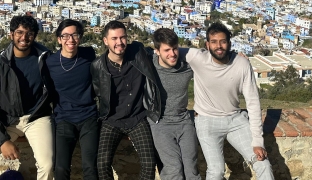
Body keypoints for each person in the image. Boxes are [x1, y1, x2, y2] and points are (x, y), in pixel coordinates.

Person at [0, 15, 54, 180]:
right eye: (19, 32)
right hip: (6, 119)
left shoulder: (45, 59)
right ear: (11, 34)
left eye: (29, 33)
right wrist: (3, 141)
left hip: (37, 118)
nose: (24, 38)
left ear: (35, 35)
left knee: (47, 165)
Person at [186, 22, 274, 180]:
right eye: (214, 42)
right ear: (207, 44)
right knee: (216, 171)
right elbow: (168, 51)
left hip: (235, 120)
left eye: (223, 41)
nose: (218, 46)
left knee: (263, 163)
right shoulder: (197, 57)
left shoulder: (241, 64)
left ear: (229, 43)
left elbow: (253, 103)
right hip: (207, 120)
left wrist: (258, 142)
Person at [90, 20, 160, 180]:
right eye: (114, 39)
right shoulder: (98, 66)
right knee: (102, 164)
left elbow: (161, 52)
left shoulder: (138, 53)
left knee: (149, 163)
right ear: (105, 41)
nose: (119, 42)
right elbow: (97, 92)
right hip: (111, 120)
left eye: (122, 38)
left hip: (137, 118)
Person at [46, 19, 99, 180]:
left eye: (75, 35)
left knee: (90, 167)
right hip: (63, 119)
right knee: (61, 168)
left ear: (80, 37)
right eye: (66, 35)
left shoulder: (89, 54)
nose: (71, 39)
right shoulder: (50, 63)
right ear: (59, 39)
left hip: (88, 117)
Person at [149, 28, 200, 180]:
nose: (172, 54)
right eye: (167, 50)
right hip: (160, 122)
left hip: (184, 120)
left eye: (175, 48)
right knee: (173, 169)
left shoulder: (186, 66)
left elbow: (210, 58)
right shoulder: (148, 66)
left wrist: (235, 56)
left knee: (191, 170)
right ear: (157, 51)